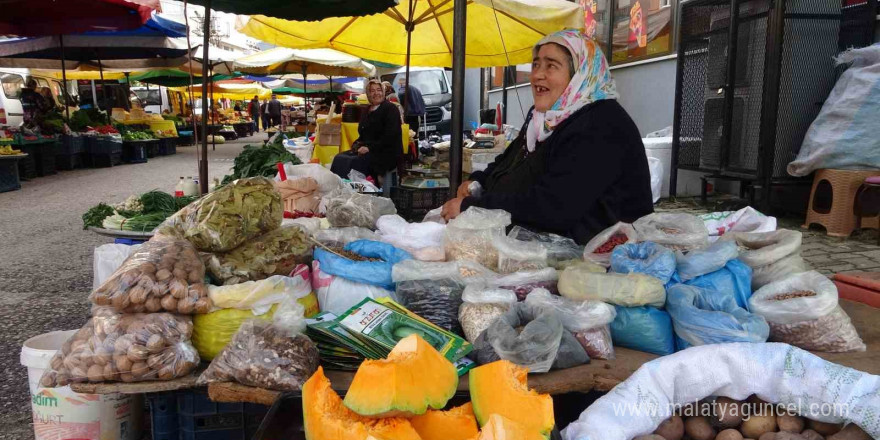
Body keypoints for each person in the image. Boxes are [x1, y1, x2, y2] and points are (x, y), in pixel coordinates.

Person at [440, 29, 653, 245]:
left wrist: (472, 208)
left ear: (580, 74)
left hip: (601, 260)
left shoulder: (601, 123)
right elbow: (509, 160)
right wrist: (478, 180)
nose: (537, 75)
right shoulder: (545, 119)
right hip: (546, 246)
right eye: (535, 64)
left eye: (551, 65)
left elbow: (555, 207)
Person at [330, 79, 402, 185]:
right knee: (339, 158)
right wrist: (357, 144)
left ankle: (357, 191)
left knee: (353, 162)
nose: (376, 93)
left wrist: (369, 148)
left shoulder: (390, 109)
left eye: (379, 90)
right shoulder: (367, 110)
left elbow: (390, 136)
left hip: (385, 151)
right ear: (368, 93)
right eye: (372, 91)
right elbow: (364, 135)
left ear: (383, 92)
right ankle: (340, 190)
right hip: (369, 149)